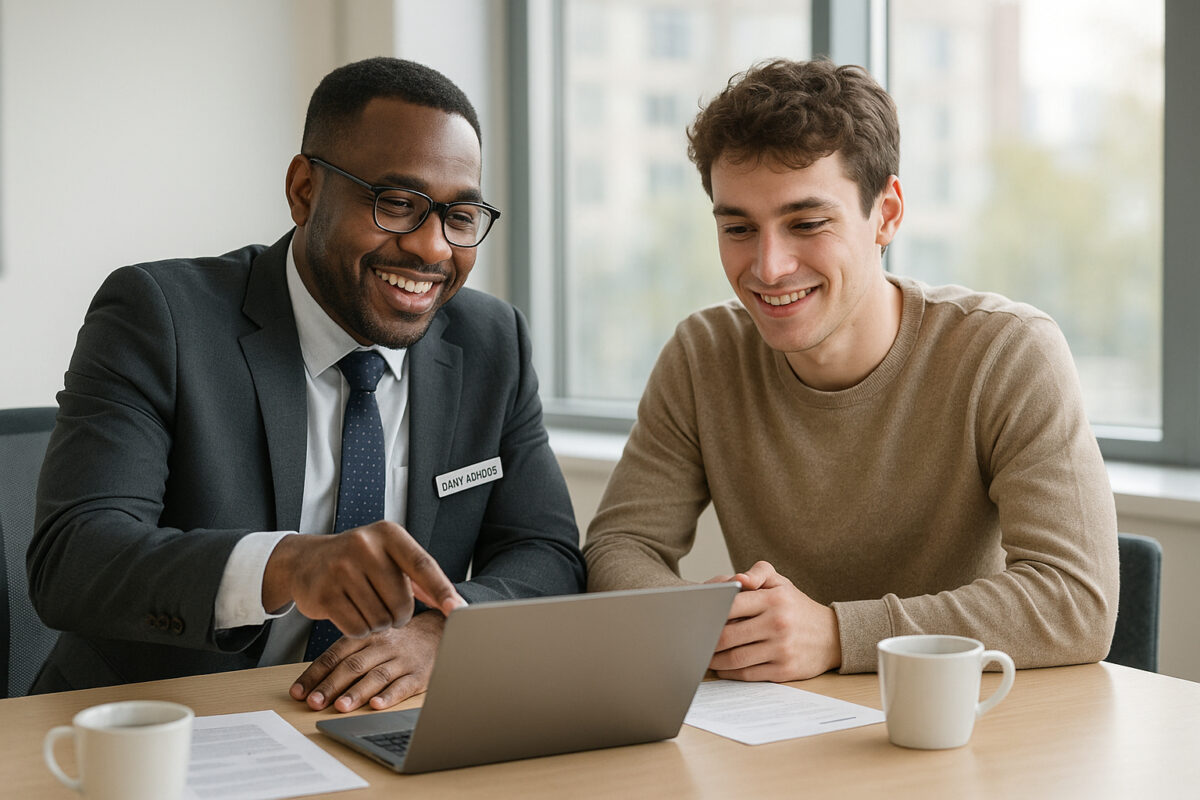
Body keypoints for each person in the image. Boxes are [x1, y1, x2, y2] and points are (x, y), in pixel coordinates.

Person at [28, 57, 585, 710]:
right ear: (304, 191)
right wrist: (286, 566)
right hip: (161, 730)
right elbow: (74, 559)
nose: (433, 249)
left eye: (459, 217)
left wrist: (443, 632)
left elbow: (546, 556)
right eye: (398, 204)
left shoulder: (491, 342)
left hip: (372, 726)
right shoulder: (160, 316)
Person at [583, 58, 1118, 680]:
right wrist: (708, 624)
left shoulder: (1008, 353)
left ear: (886, 213)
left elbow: (1078, 601)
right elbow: (619, 548)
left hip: (959, 733)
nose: (769, 266)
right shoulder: (703, 355)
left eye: (807, 224)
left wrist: (837, 634)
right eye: (737, 227)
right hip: (778, 734)